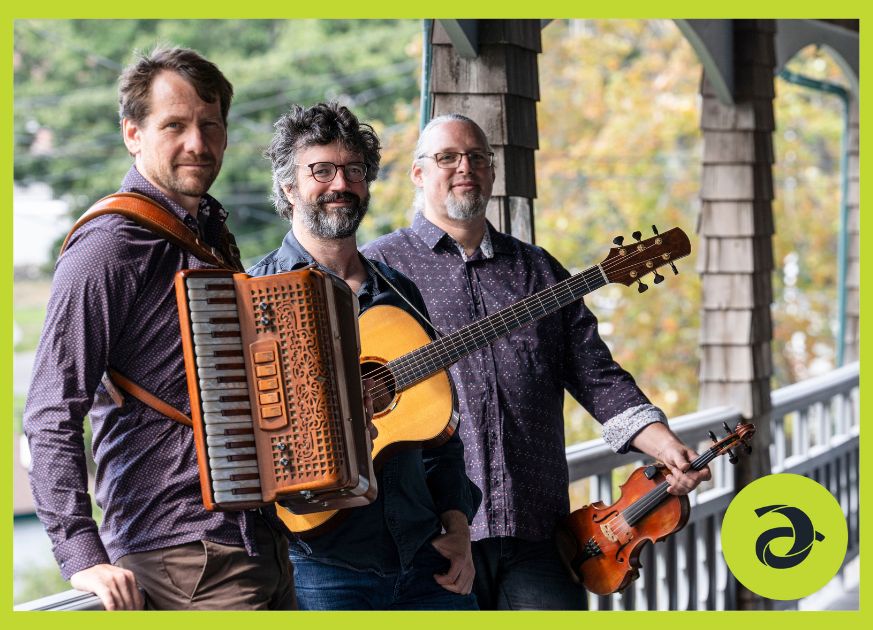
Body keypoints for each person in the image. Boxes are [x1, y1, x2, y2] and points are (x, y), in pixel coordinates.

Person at [361, 113, 712, 610]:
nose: (465, 167)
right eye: (447, 158)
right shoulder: (380, 271)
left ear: (492, 172)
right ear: (419, 173)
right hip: (429, 535)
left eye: (477, 158)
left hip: (537, 528)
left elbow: (598, 378)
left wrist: (665, 444)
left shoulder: (538, 270)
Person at [23, 47, 295, 611]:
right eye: (175, 125)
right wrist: (82, 554)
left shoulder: (210, 229)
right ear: (133, 134)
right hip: (179, 554)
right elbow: (51, 408)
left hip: (256, 540)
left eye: (210, 125)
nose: (197, 143)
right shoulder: (109, 245)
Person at [248, 102, 480, 610]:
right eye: (322, 170)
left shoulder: (399, 293)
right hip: (321, 564)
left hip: (426, 559)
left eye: (354, 171)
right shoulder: (255, 297)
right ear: (289, 188)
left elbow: (439, 430)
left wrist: (460, 527)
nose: (341, 184)